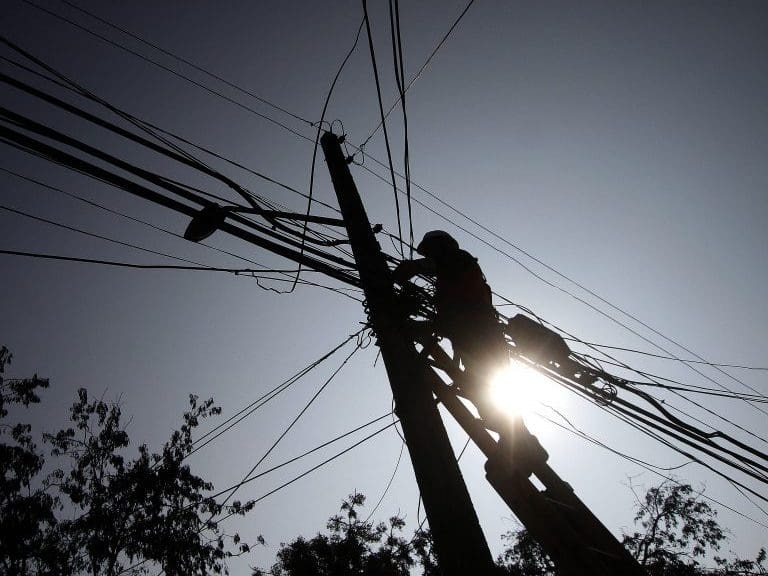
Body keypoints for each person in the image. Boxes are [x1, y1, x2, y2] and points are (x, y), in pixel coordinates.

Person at [392, 230, 508, 406]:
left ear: (443, 245)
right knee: (482, 394)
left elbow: (434, 265)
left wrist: (408, 270)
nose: (431, 254)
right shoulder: (448, 278)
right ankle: (503, 426)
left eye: (432, 249)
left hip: (481, 335)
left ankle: (509, 429)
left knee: (485, 392)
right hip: (473, 338)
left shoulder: (459, 258)